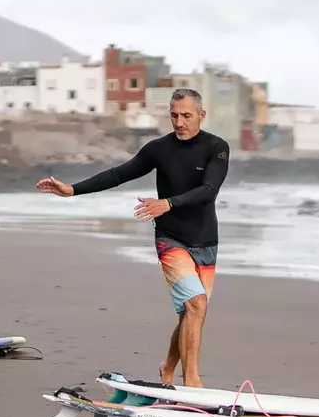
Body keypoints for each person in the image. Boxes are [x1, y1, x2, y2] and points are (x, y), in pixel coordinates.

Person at [36, 88, 229, 388]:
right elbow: (118, 175)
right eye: (174, 115)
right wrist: (72, 190)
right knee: (195, 305)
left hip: (206, 240)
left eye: (186, 116)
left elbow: (209, 190)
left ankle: (168, 365)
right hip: (171, 238)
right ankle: (192, 383)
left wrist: (167, 202)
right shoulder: (158, 149)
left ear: (201, 115)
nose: (179, 122)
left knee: (193, 311)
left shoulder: (216, 147)